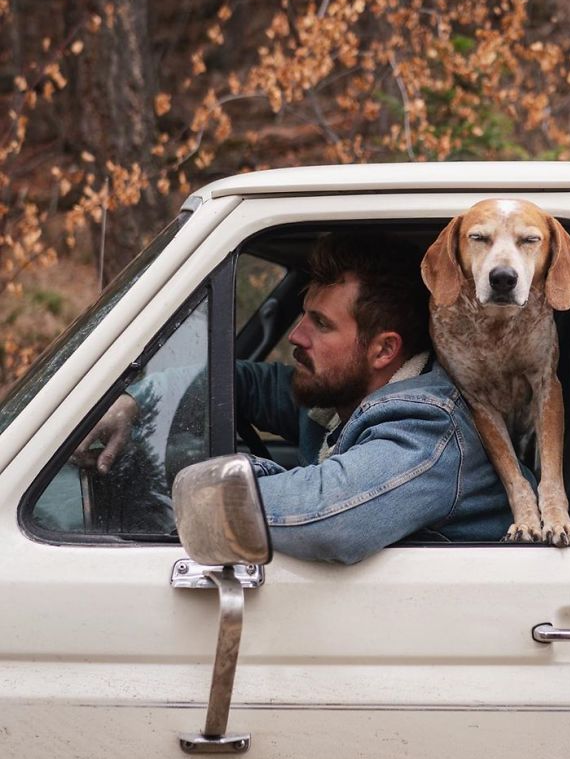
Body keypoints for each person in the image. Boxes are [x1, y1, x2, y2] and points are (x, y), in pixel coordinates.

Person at [77, 233, 514, 563]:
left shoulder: (430, 428)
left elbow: (329, 518)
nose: (295, 335)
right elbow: (242, 382)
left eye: (321, 324)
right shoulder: (341, 394)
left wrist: (199, 484)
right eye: (303, 313)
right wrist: (137, 400)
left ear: (384, 350)